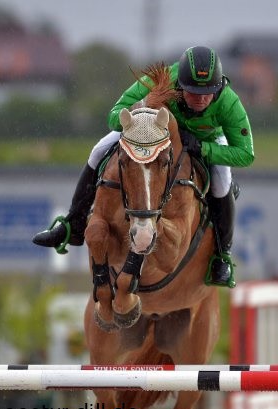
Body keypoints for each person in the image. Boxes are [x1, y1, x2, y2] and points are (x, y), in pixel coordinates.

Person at [32, 46, 254, 287]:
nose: (201, 99)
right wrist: (140, 116)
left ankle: (222, 255)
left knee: (222, 183)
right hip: (151, 132)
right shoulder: (161, 81)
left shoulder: (229, 102)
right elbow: (114, 115)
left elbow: (246, 154)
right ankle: (72, 225)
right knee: (98, 151)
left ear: (218, 87)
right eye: (192, 92)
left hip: (208, 139)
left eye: (208, 93)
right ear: (179, 85)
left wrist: (203, 148)